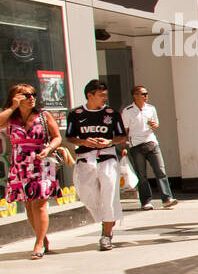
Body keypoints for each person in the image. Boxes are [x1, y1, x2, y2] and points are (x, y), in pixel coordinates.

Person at [65, 79, 127, 251]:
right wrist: (85, 141)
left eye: (105, 95)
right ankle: (106, 218)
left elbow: (122, 136)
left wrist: (109, 141)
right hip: (85, 158)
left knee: (109, 194)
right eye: (101, 95)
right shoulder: (75, 114)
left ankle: (106, 235)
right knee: (86, 192)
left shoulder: (112, 113)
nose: (104, 99)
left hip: (107, 158)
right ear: (89, 95)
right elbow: (69, 137)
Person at [1, 83, 62, 258]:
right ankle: (42, 238)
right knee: (28, 205)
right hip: (20, 164)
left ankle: (38, 244)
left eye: (33, 94)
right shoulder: (11, 118)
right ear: (16, 97)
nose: (31, 98)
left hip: (41, 161)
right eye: (26, 95)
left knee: (39, 204)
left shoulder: (43, 115)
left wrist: (49, 148)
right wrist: (13, 107)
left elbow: (57, 137)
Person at [122, 85, 178, 210]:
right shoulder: (128, 111)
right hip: (136, 145)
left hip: (151, 143)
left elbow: (156, 124)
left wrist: (155, 125)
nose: (146, 96)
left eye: (146, 93)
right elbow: (125, 130)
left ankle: (167, 198)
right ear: (135, 96)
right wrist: (124, 145)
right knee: (141, 175)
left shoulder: (151, 108)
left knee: (161, 171)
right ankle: (146, 201)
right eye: (143, 94)